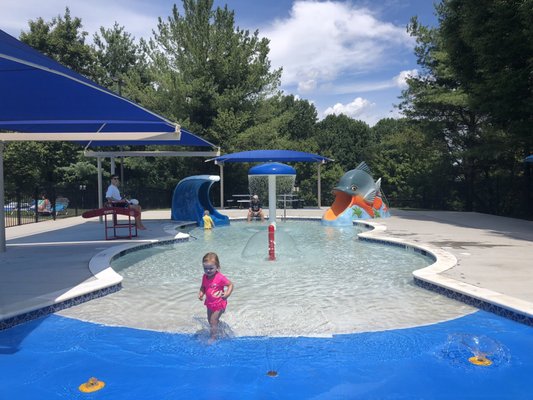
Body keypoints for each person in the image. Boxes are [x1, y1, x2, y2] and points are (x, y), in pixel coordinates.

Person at [198, 252, 234, 343]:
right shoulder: (205, 277)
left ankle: (213, 337)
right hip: (209, 303)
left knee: (213, 320)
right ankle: (220, 327)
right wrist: (201, 293)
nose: (208, 271)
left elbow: (230, 285)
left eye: (211, 268)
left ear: (217, 267)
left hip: (219, 303)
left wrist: (227, 294)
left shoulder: (220, 277)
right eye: (205, 268)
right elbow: (203, 286)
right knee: (210, 320)